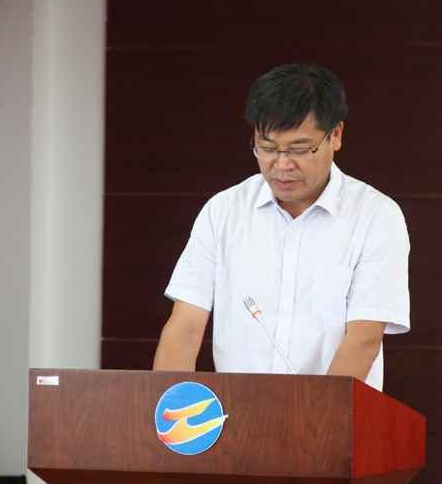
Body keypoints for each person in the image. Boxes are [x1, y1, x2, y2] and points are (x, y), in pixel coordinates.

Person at [153, 63, 410, 391]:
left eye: (299, 149)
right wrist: (168, 408)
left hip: (331, 416)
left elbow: (364, 340)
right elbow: (184, 329)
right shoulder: (223, 211)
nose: (282, 164)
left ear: (335, 135)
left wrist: (314, 416)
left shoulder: (376, 217)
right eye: (268, 148)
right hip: (239, 414)